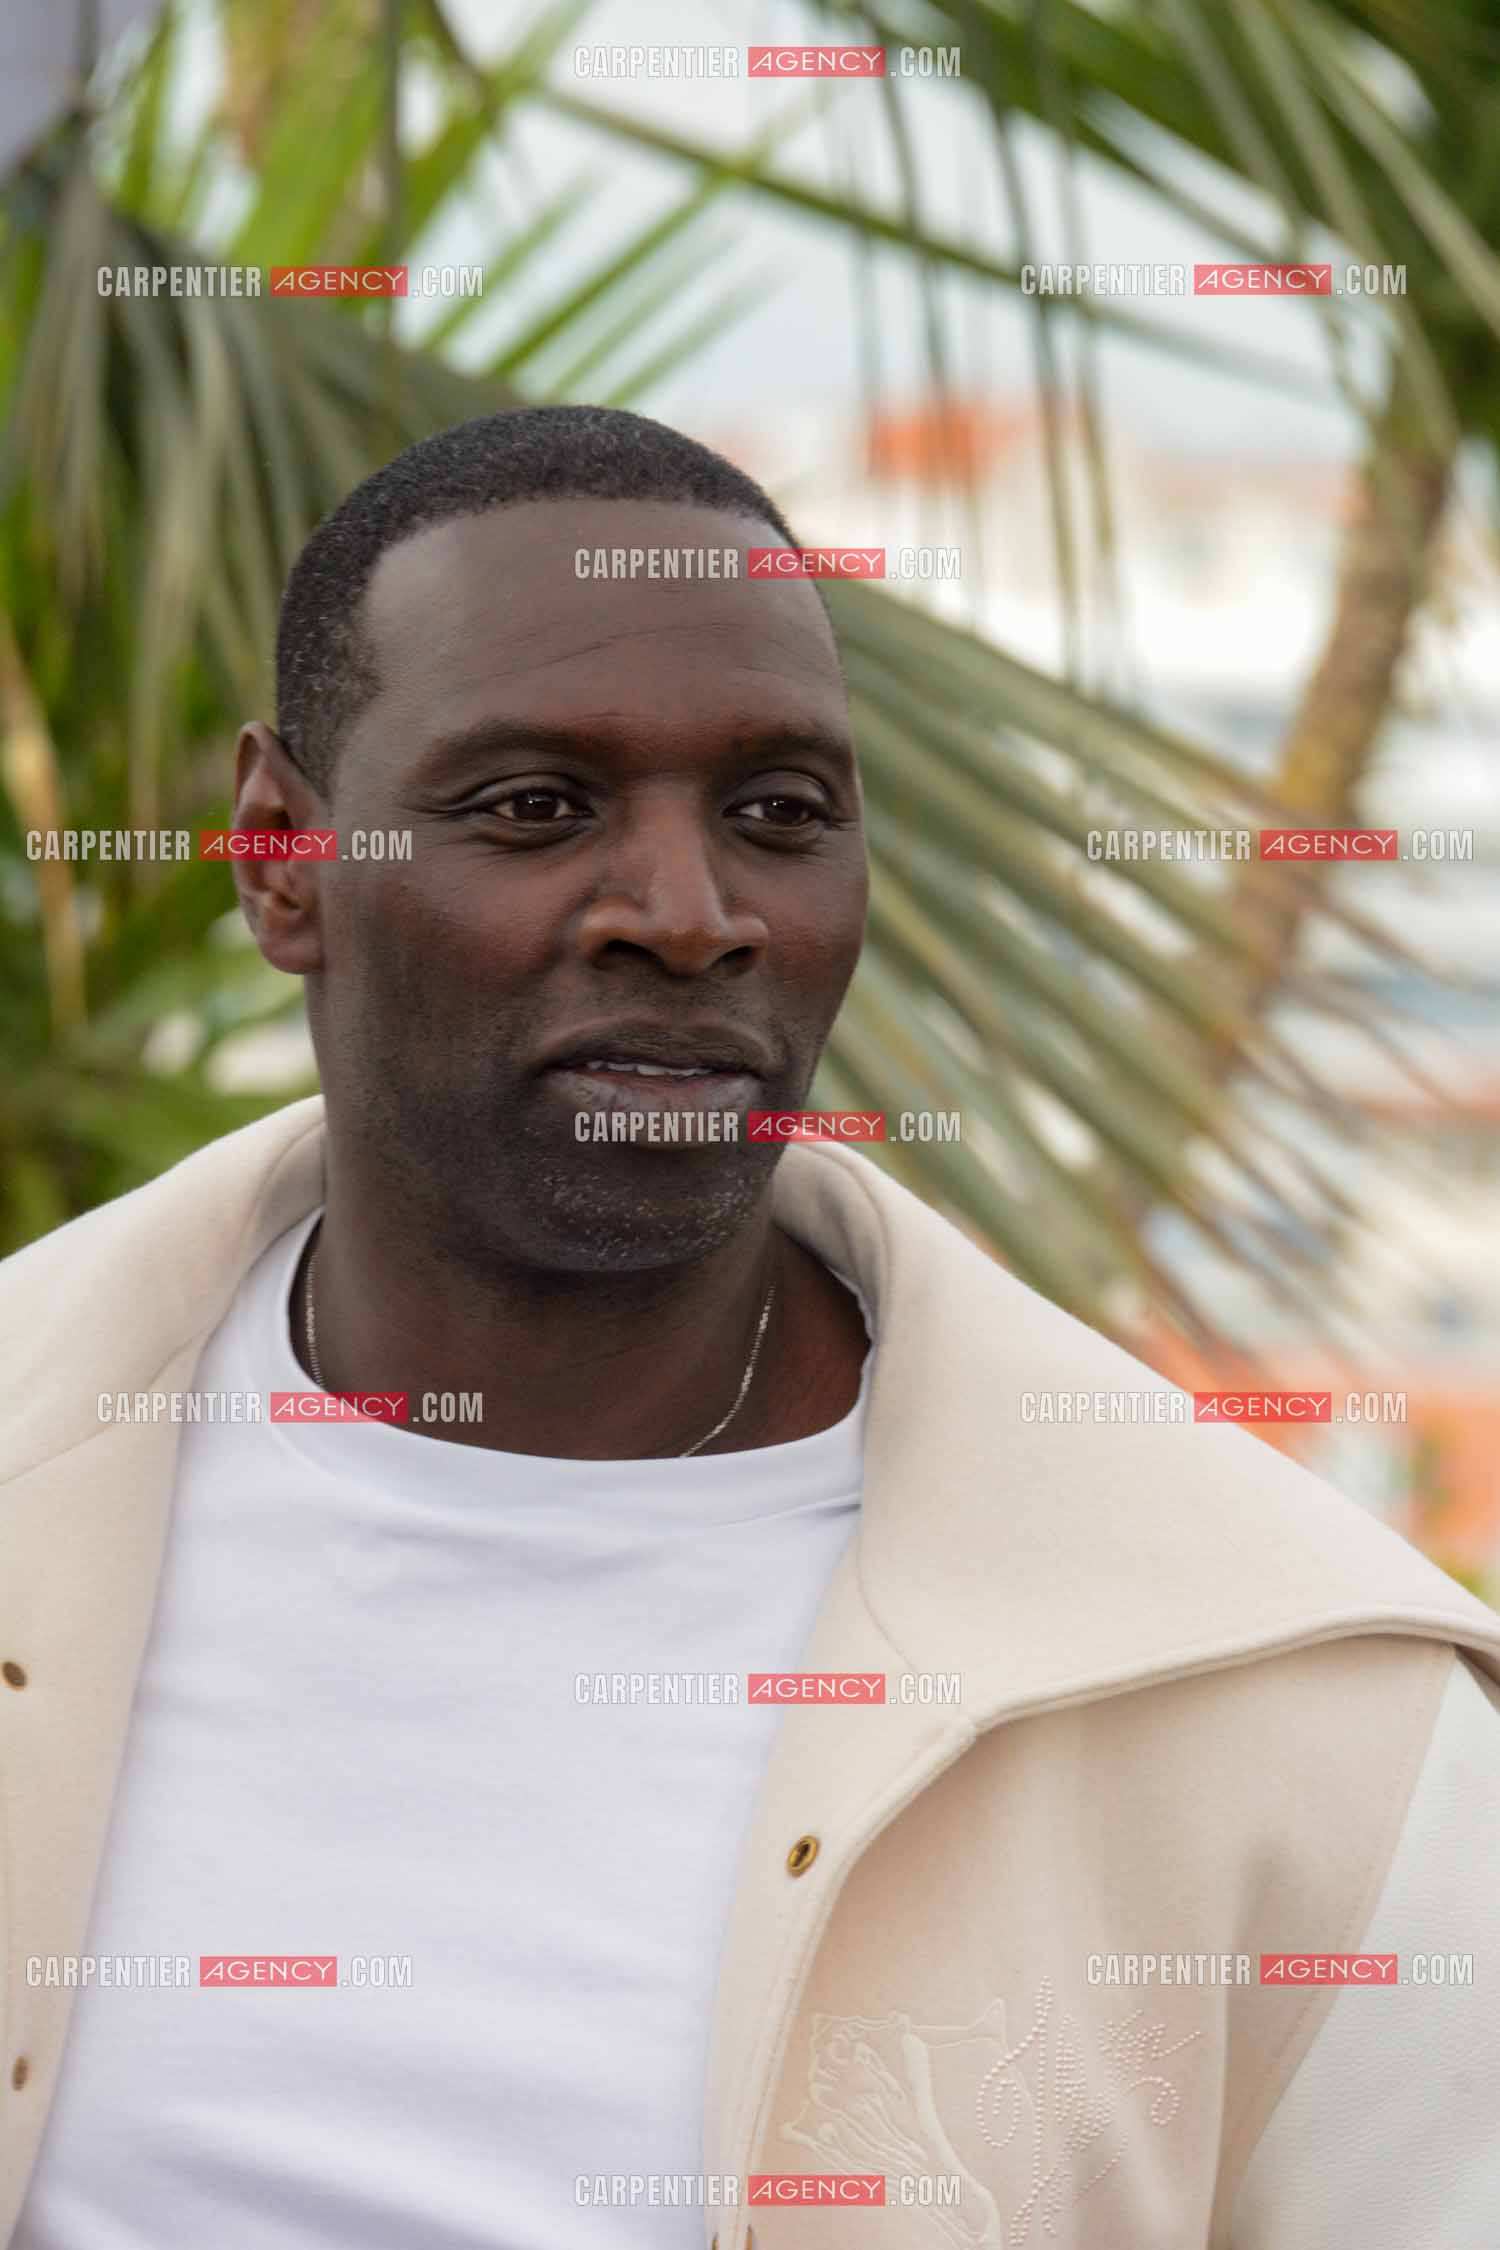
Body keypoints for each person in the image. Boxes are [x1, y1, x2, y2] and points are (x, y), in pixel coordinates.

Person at [1, 405, 1496, 2250]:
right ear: (280, 858)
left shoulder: (1287, 1699)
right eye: (534, 806)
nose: (690, 916)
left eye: (779, 814)